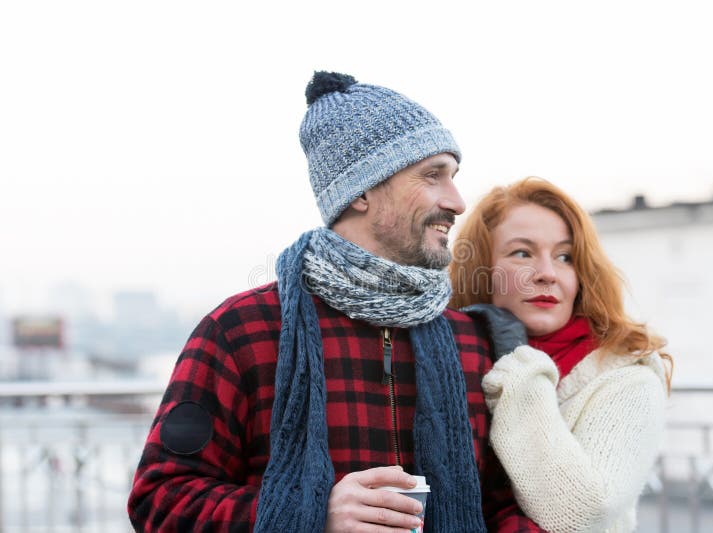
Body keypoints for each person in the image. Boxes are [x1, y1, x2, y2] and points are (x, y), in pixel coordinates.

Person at [127, 72, 541, 532]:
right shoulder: (242, 330)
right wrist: (311, 514)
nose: (458, 201)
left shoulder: (471, 340)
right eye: (432, 176)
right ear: (361, 191)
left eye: (454, 176)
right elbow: (161, 498)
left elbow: (503, 505)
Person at [449, 177, 673, 533]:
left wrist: (518, 364)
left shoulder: (628, 377)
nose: (547, 274)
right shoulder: (452, 359)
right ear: (482, 270)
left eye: (565, 257)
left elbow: (580, 513)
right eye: (522, 253)